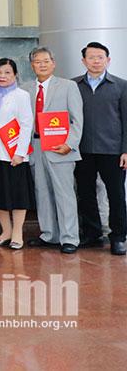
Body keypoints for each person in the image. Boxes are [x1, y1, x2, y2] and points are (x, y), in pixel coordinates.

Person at [27, 47, 84, 253]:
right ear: (31, 65)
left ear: (53, 63)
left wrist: (70, 143)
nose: (41, 64)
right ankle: (49, 234)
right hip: (35, 146)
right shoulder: (25, 88)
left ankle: (69, 238)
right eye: (37, 61)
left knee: (65, 193)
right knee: (42, 192)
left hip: (62, 148)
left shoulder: (68, 86)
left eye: (45, 61)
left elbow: (77, 119)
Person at [73, 42, 127, 256]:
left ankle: (119, 237)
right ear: (83, 61)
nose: (96, 61)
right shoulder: (74, 85)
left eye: (100, 57)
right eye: (91, 57)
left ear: (108, 60)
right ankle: (92, 233)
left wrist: (125, 150)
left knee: (116, 194)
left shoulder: (121, 86)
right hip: (82, 149)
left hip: (112, 150)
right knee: (85, 193)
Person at [0, 58, 34, 250]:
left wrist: (20, 153)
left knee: (18, 194)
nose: (2, 76)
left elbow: (26, 124)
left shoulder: (21, 95)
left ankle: (17, 232)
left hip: (14, 154)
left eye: (7, 73)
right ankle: (5, 230)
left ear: (15, 75)